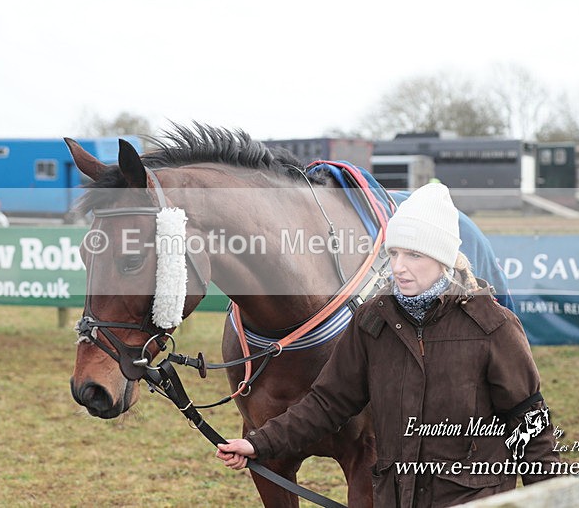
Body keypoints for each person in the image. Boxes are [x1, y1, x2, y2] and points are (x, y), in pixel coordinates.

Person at [216, 183, 559, 507]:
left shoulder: (494, 327)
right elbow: (327, 403)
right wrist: (258, 443)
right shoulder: (372, 320)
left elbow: (530, 425)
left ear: (443, 259)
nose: (398, 267)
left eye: (413, 255)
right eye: (393, 253)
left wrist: (549, 497)